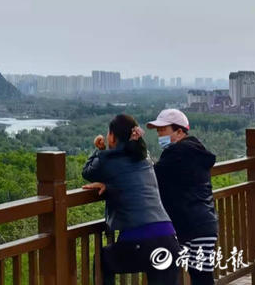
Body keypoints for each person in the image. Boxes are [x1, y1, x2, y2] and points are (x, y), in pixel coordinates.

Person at [82, 114, 181, 285]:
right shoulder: (144, 159)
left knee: (103, 259)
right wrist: (112, 187)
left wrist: (99, 150)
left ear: (112, 137)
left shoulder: (108, 160)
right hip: (169, 239)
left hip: (141, 243)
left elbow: (88, 172)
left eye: (108, 133)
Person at [148, 109, 218, 285]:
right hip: (203, 223)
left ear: (179, 131)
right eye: (158, 131)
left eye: (163, 130)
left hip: (192, 225)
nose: (159, 135)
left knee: (199, 278)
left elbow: (151, 176)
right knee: (201, 277)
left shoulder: (178, 153)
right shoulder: (195, 151)